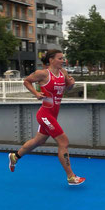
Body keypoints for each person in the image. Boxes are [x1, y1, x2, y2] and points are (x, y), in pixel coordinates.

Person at [8, 49, 86, 186]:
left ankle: (15, 156)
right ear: (51, 60)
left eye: (63, 58)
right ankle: (71, 177)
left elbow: (66, 89)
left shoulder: (64, 73)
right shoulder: (42, 74)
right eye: (60, 58)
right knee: (64, 142)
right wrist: (36, 93)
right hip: (45, 114)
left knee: (38, 141)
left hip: (53, 114)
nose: (63, 61)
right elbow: (26, 81)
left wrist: (71, 85)